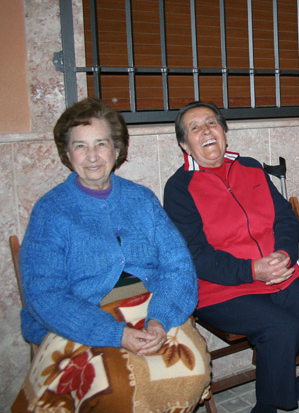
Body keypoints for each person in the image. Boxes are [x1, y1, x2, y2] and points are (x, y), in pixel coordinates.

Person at [13, 98, 210, 412]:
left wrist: (160, 320)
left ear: (116, 150)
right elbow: (44, 294)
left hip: (152, 307)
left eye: (101, 144)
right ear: (67, 153)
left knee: (193, 369)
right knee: (115, 386)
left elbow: (177, 263)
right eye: (80, 146)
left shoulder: (141, 199)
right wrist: (115, 334)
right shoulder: (51, 211)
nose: (92, 156)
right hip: (84, 315)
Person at [163, 101, 299, 413]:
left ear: (224, 132)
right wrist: (252, 270)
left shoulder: (251, 167)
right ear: (184, 144)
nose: (206, 131)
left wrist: (284, 254)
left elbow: (284, 219)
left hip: (279, 274)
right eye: (195, 128)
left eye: (211, 123)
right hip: (222, 288)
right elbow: (195, 255)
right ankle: (267, 406)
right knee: (280, 328)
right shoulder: (179, 188)